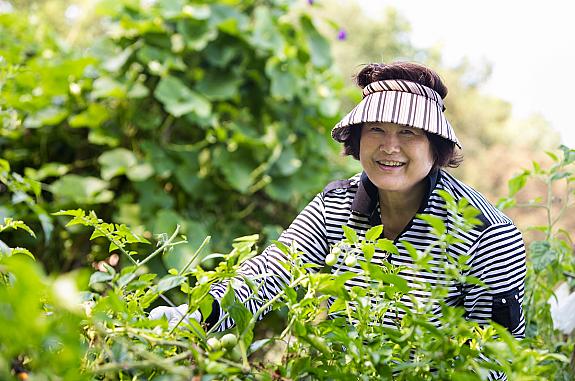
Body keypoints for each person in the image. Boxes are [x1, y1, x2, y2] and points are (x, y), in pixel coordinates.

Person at [151, 61, 526, 357]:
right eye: (376, 129)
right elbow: (271, 272)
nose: (389, 147)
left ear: (436, 146)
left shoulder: (487, 234)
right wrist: (196, 315)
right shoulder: (337, 206)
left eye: (408, 132)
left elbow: (493, 357)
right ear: (357, 138)